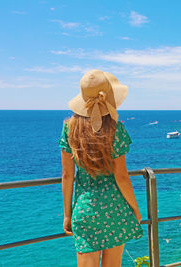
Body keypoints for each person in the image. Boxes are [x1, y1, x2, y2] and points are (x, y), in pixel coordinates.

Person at [59, 70, 144, 267]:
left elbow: (67, 175)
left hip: (85, 209)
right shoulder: (116, 129)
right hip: (115, 207)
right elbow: (121, 176)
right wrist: (135, 209)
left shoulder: (69, 127)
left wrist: (67, 214)